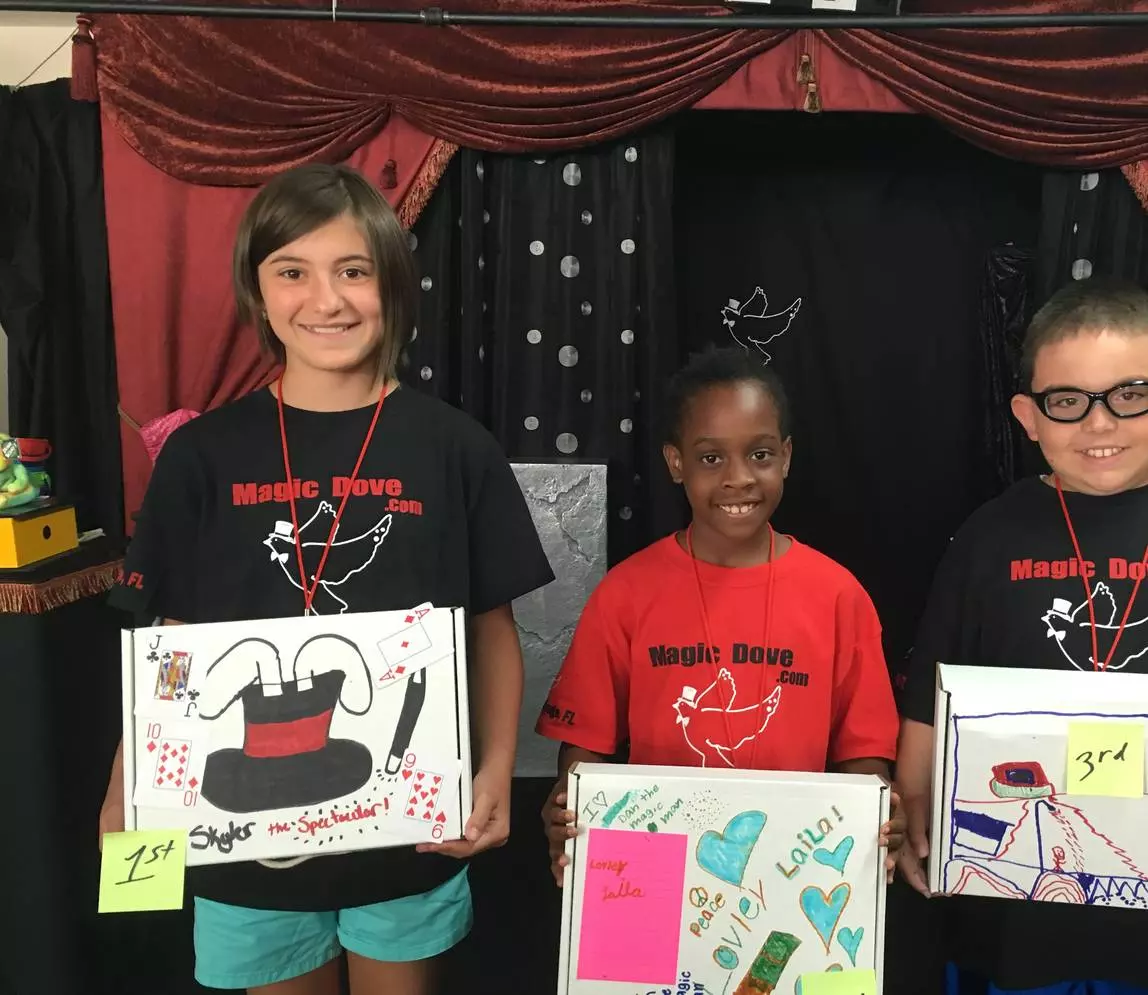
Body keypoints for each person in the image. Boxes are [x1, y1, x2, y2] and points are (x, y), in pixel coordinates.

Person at [99, 163, 554, 995]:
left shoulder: (455, 448)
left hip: (410, 833)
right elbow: (170, 643)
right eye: (292, 272)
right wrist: (128, 782)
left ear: (393, 282)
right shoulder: (204, 456)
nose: (327, 300)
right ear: (258, 290)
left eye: (354, 270)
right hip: (245, 842)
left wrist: (493, 769)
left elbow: (490, 628)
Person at [536, 345, 904, 887]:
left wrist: (876, 816)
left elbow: (864, 755)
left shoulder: (838, 595)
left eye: (759, 454)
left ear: (786, 456)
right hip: (652, 871)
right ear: (675, 462)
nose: (738, 478)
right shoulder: (626, 593)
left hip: (790, 870)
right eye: (712, 458)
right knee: (646, 975)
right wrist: (569, 809)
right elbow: (585, 752)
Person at [895, 277, 1148, 995]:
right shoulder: (988, 536)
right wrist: (914, 806)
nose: (1099, 424)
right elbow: (929, 695)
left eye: (1130, 394)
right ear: (1027, 416)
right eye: (1067, 402)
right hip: (1014, 911)